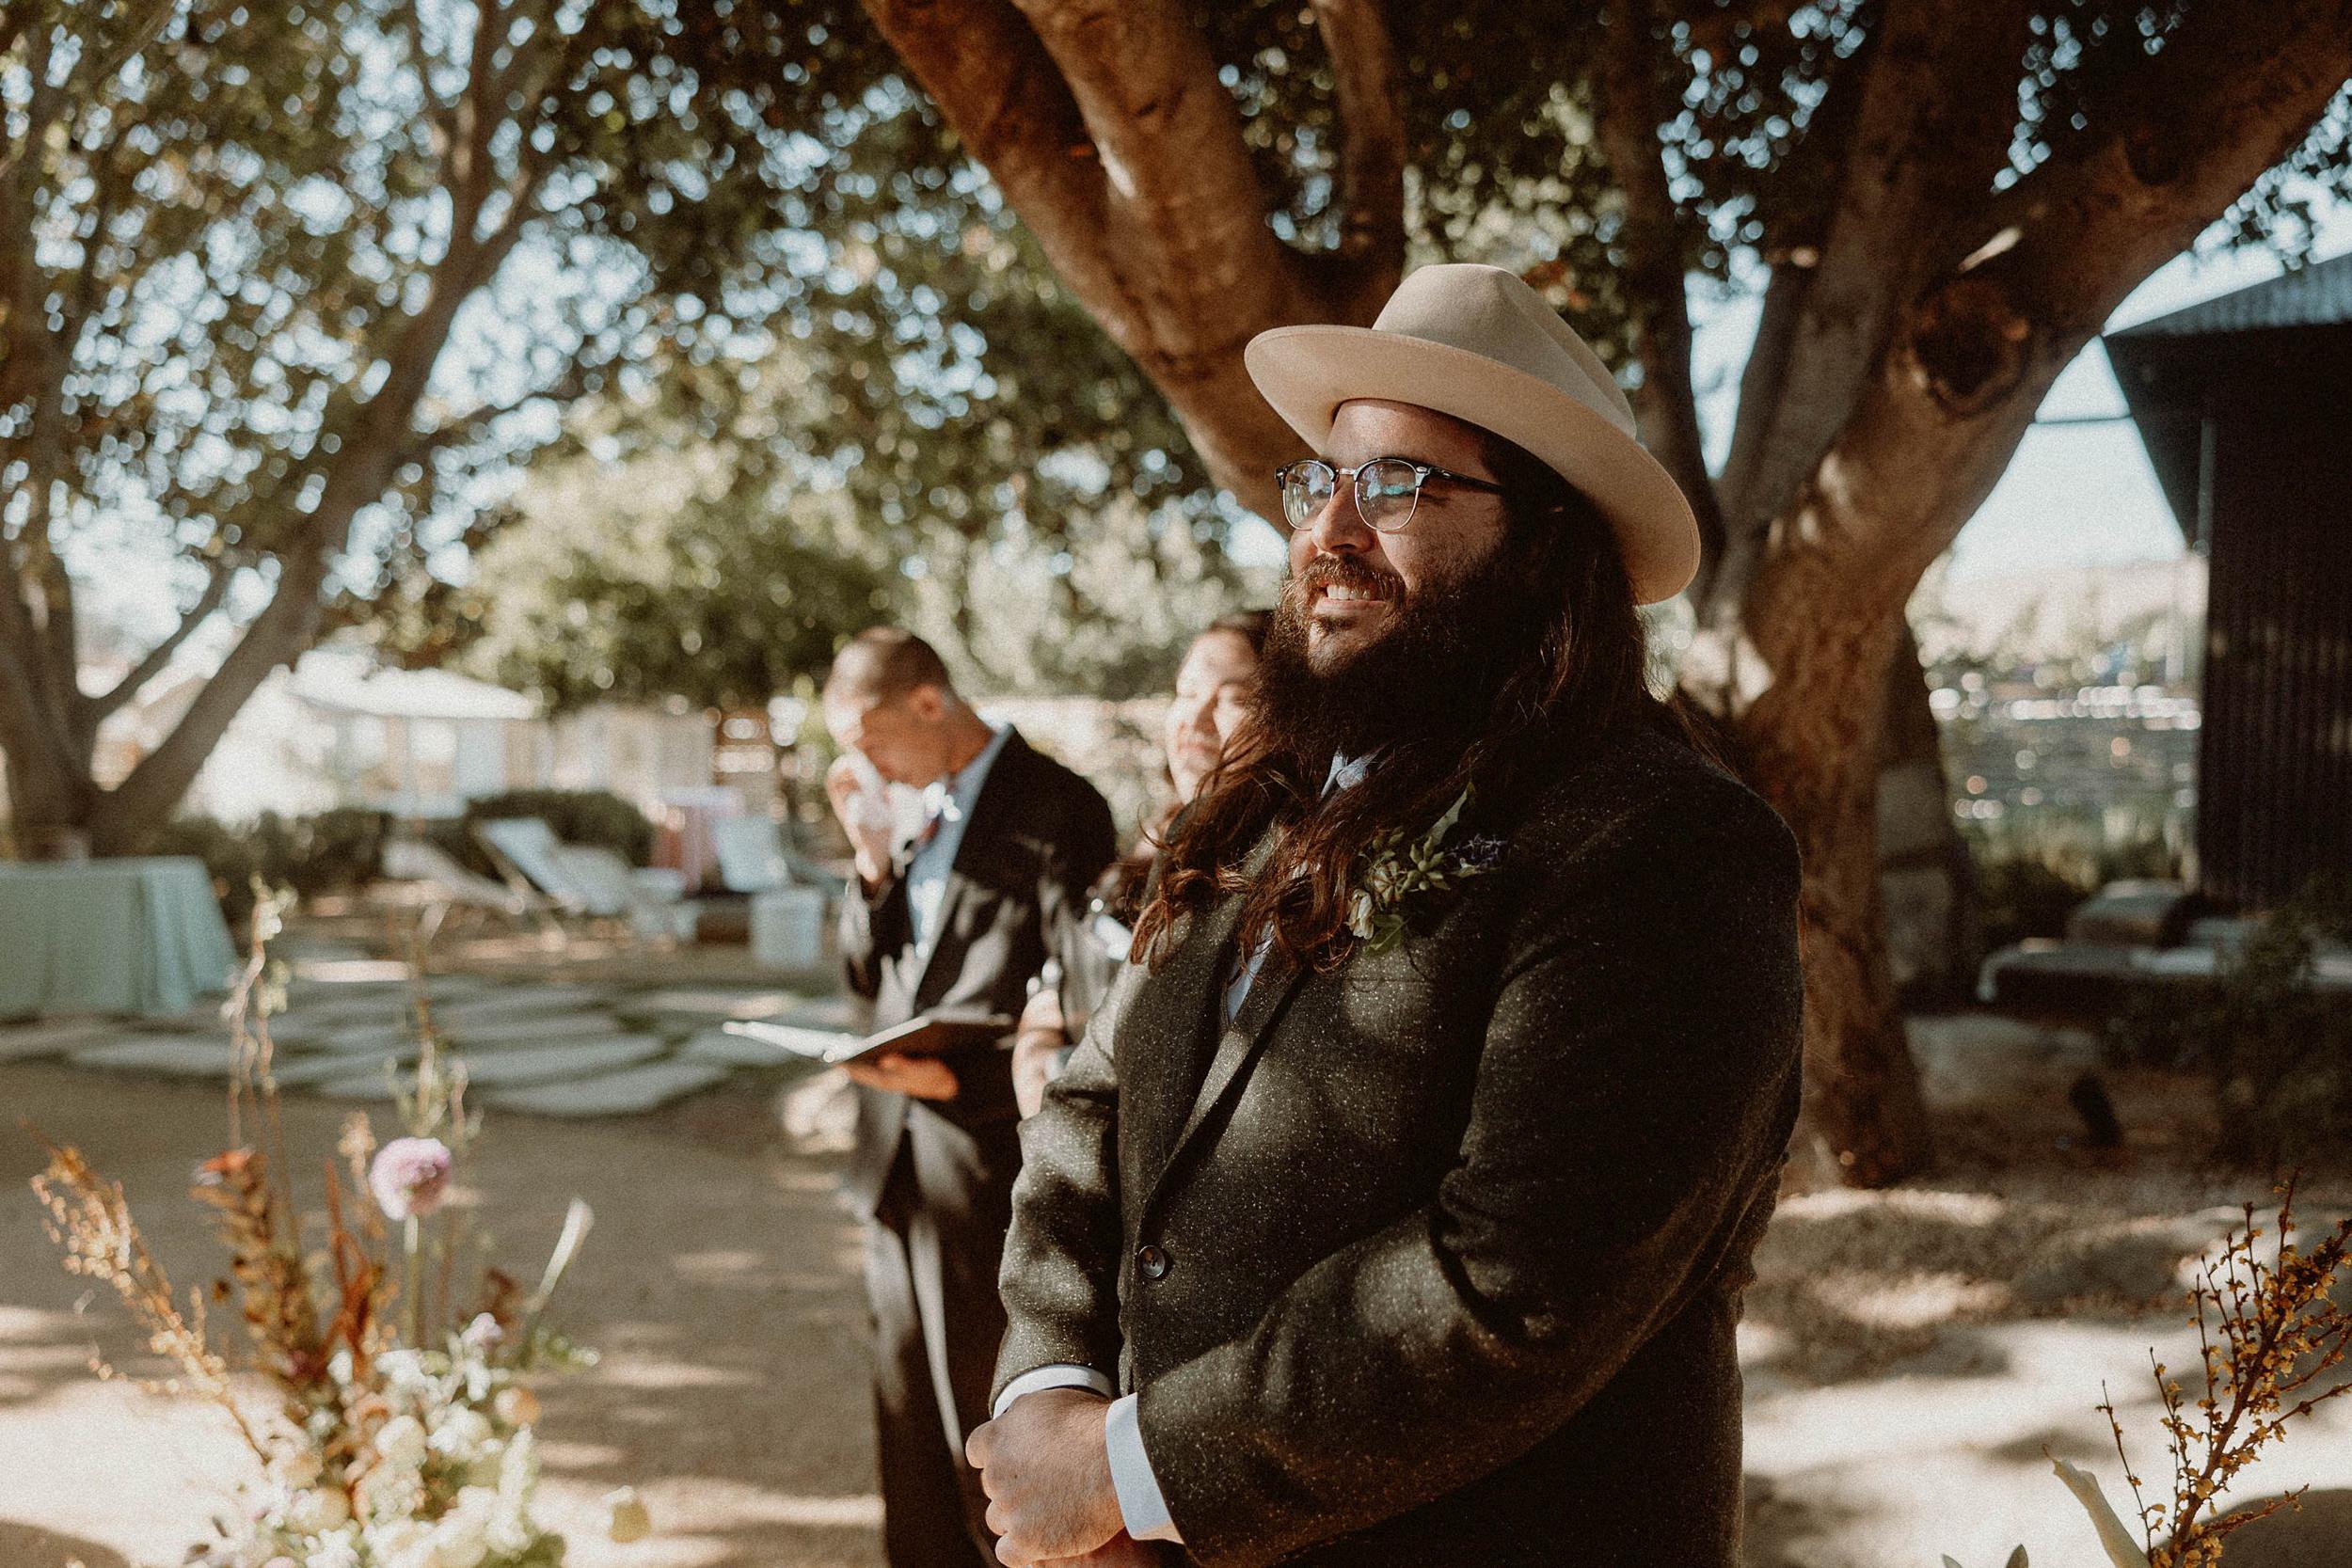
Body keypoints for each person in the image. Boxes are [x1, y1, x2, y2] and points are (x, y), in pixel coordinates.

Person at [964, 262, 1805, 1567]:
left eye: (1401, 484)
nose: (1332, 528)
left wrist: (1129, 1469)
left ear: (1546, 538)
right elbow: (1092, 1105)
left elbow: (1513, 1283)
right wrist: (1051, 1395)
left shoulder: (1662, 842)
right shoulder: (1254, 802)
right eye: (1321, 479)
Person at [820, 626, 1118, 1568]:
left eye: (870, 739)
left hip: (987, 1163)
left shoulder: (1060, 807)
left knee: (982, 1435)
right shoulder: (906, 813)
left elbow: (1081, 1001)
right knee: (906, 1422)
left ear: (928, 701)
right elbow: (866, 977)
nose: (864, 766)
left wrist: (967, 1079)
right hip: (894, 1158)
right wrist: (871, 864)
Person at [1011, 610, 1272, 1119]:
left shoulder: (1263, 878)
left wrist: (1049, 1079)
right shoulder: (1153, 841)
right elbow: (1066, 972)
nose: (1194, 720)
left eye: (1234, 700)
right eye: (1186, 692)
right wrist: (1035, 1046)